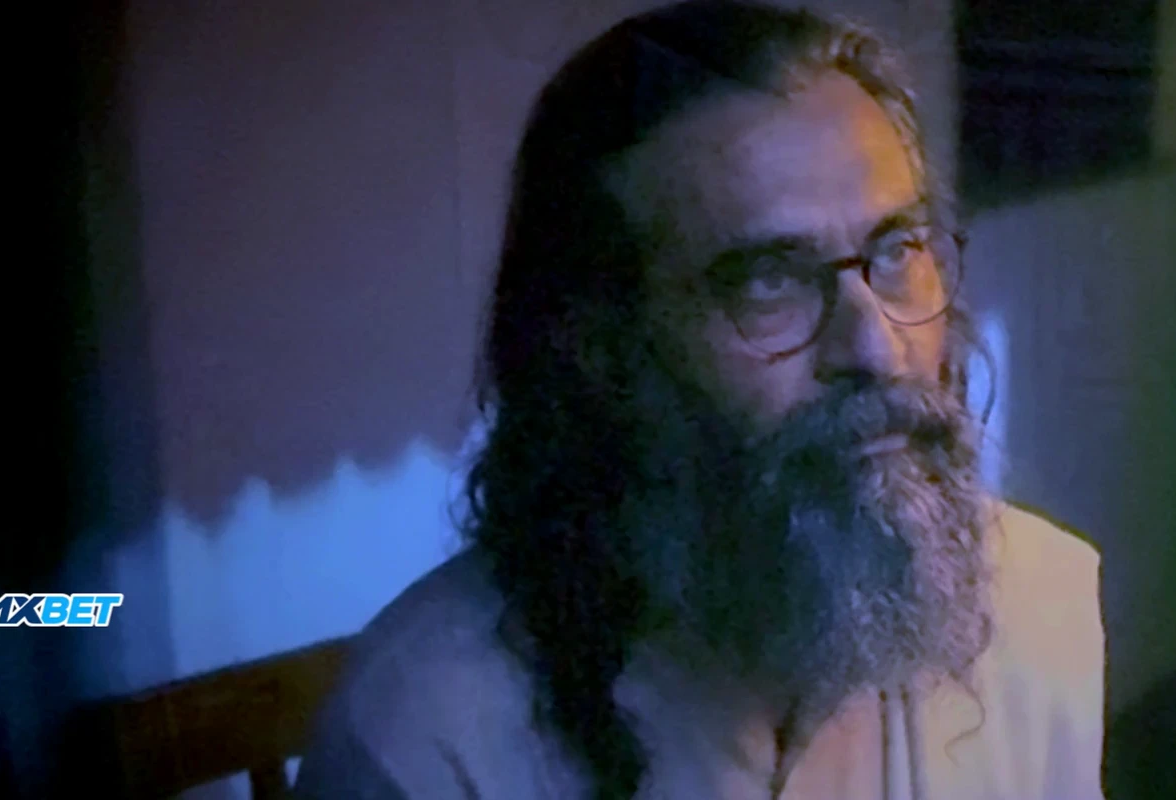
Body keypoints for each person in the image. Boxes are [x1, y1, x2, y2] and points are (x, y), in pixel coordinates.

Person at [293, 2, 1105, 798]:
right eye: (768, 280)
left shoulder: (1039, 607)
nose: (876, 349)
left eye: (896, 251)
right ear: (601, 346)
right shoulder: (427, 741)